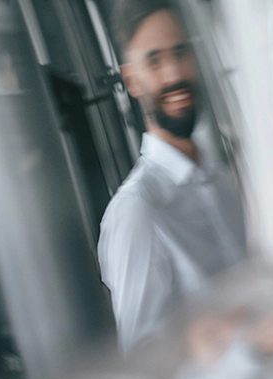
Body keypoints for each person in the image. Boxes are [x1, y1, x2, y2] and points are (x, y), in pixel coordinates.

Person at [99, 0, 247, 351]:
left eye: (181, 53)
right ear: (131, 79)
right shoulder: (137, 210)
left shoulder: (226, 185)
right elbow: (143, 359)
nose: (174, 74)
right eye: (154, 60)